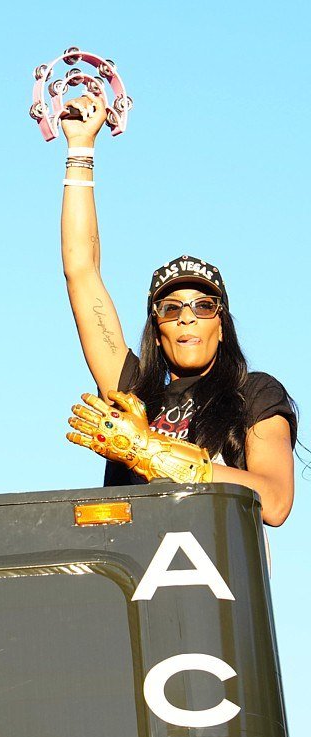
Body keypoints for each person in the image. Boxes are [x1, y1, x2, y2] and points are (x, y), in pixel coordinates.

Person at [58, 95, 296, 527]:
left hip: (215, 584)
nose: (187, 316)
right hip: (128, 581)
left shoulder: (255, 394)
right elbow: (81, 270)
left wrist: (146, 450)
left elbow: (276, 500)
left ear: (221, 325)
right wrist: (80, 150)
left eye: (203, 305)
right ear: (156, 327)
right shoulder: (130, 390)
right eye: (171, 308)